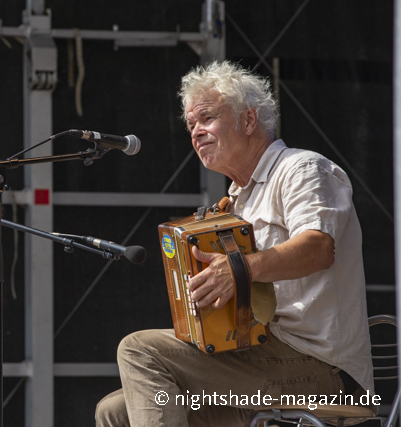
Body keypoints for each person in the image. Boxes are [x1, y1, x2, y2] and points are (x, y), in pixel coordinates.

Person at [95, 60, 374, 426]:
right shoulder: (232, 202)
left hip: (320, 371)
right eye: (191, 125)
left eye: (207, 118)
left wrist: (238, 269)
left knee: (138, 349)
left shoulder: (302, 169)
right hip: (261, 367)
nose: (196, 132)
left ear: (248, 120)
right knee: (114, 410)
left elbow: (318, 248)